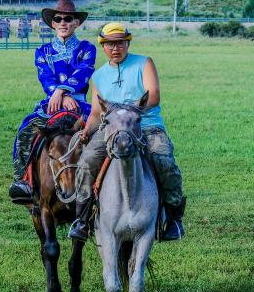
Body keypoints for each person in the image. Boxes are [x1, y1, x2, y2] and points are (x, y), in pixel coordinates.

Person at [68, 22, 186, 243]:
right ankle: (82, 220)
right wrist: (87, 130)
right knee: (86, 162)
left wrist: (128, 112)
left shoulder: (144, 63)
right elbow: (96, 112)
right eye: (110, 44)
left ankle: (174, 218)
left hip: (146, 126)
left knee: (164, 160)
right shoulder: (99, 76)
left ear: (127, 43)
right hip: (110, 130)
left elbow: (153, 96)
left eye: (120, 43)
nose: (115, 48)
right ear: (103, 46)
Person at [9, 0, 96, 204]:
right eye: (58, 19)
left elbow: (84, 72)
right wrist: (59, 95)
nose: (63, 22)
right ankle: (22, 180)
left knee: (102, 130)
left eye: (68, 19)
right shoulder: (42, 51)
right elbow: (45, 77)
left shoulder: (87, 48)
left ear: (76, 23)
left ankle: (105, 180)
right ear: (53, 23)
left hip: (79, 104)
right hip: (51, 104)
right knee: (26, 128)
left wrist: (63, 92)